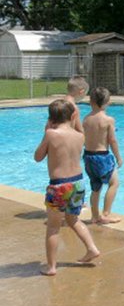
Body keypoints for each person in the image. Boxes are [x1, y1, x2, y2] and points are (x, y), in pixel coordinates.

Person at [34, 99, 100, 275]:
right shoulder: (80, 136)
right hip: (78, 183)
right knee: (73, 220)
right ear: (72, 116)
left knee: (53, 227)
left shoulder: (51, 134)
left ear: (50, 118)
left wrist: (45, 132)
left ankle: (51, 267)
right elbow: (77, 127)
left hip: (59, 186)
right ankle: (91, 248)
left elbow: (38, 157)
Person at [82, 87, 123, 224]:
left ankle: (94, 216)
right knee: (114, 183)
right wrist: (118, 157)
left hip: (88, 156)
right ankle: (105, 214)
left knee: (95, 187)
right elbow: (112, 140)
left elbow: (83, 139)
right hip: (102, 157)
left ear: (91, 101)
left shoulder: (86, 119)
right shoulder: (108, 120)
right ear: (107, 102)